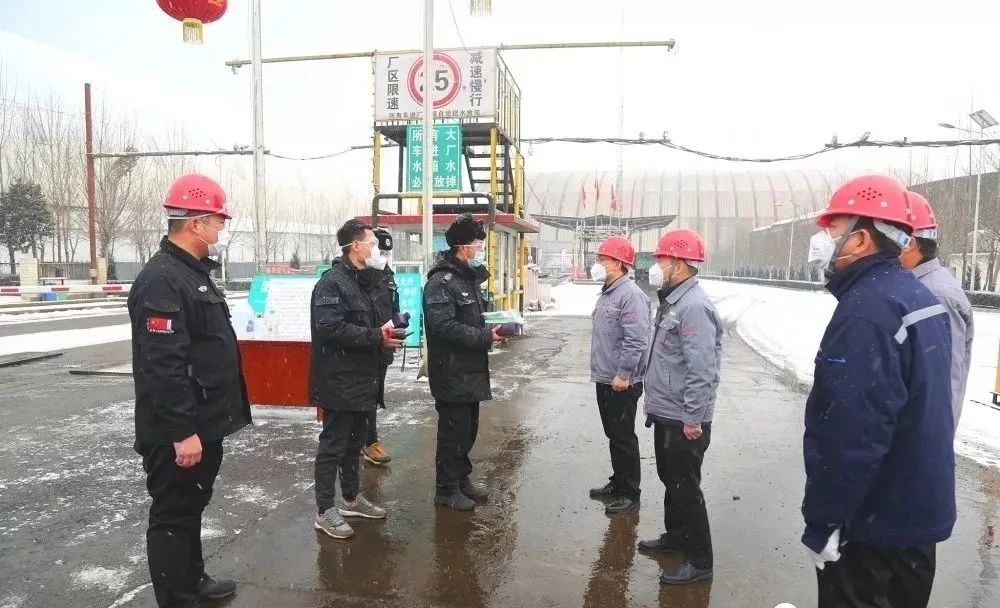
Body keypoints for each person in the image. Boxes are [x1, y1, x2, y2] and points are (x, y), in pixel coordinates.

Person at [802, 175, 955, 607]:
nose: (823, 238)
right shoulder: (914, 296)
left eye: (833, 228)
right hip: (911, 517)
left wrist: (825, 521)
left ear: (860, 239)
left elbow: (852, 433)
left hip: (873, 526)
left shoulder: (867, 312)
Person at [128, 173, 250, 607]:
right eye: (218, 221)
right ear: (196, 223)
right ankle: (177, 598)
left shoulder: (188, 273)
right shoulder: (163, 279)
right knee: (173, 515)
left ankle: (193, 579)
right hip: (177, 430)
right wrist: (182, 431)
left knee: (191, 506)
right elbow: (162, 365)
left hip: (202, 420)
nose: (221, 230)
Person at [638, 228, 722, 585]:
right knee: (671, 480)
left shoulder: (694, 306)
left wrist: (692, 417)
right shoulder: (673, 300)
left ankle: (700, 560)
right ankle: (676, 538)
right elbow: (666, 360)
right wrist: (653, 400)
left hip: (684, 417)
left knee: (685, 487)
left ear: (681, 263)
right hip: (668, 410)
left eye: (662, 259)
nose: (656, 264)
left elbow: (702, 369)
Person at [310, 219, 402, 539]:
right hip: (339, 379)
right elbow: (330, 328)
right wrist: (376, 336)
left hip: (365, 378)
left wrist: (387, 335)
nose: (376, 249)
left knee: (354, 444)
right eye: (372, 243)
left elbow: (376, 323)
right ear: (355, 246)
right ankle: (324, 510)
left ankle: (350, 499)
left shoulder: (369, 282)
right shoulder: (332, 284)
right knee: (332, 446)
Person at [423, 213, 505, 511]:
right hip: (451, 371)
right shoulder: (441, 283)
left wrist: (494, 325)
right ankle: (446, 489)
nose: (479, 249)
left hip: (469, 369)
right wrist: (484, 337)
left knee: (468, 430)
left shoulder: (465, 279)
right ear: (462, 247)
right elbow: (442, 326)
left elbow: (471, 318)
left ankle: (461, 479)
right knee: (453, 432)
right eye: (476, 244)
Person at [587, 235, 651, 515]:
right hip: (606, 378)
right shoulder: (608, 292)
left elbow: (636, 340)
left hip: (621, 381)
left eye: (602, 259)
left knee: (623, 437)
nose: (597, 264)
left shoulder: (631, 296)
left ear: (618, 263)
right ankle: (618, 481)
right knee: (613, 434)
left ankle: (630, 493)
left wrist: (624, 374)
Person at [900, 191, 974, 430]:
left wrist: (930, 444)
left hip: (919, 442)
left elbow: (942, 387)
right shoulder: (917, 287)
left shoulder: (937, 296)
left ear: (909, 243)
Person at [361, 226, 399, 466]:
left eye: (386, 253)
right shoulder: (356, 276)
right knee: (362, 395)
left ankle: (367, 440)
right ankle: (368, 441)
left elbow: (393, 307)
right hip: (362, 344)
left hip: (382, 344)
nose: (382, 256)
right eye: (378, 250)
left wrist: (397, 327)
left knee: (373, 394)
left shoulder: (387, 275)